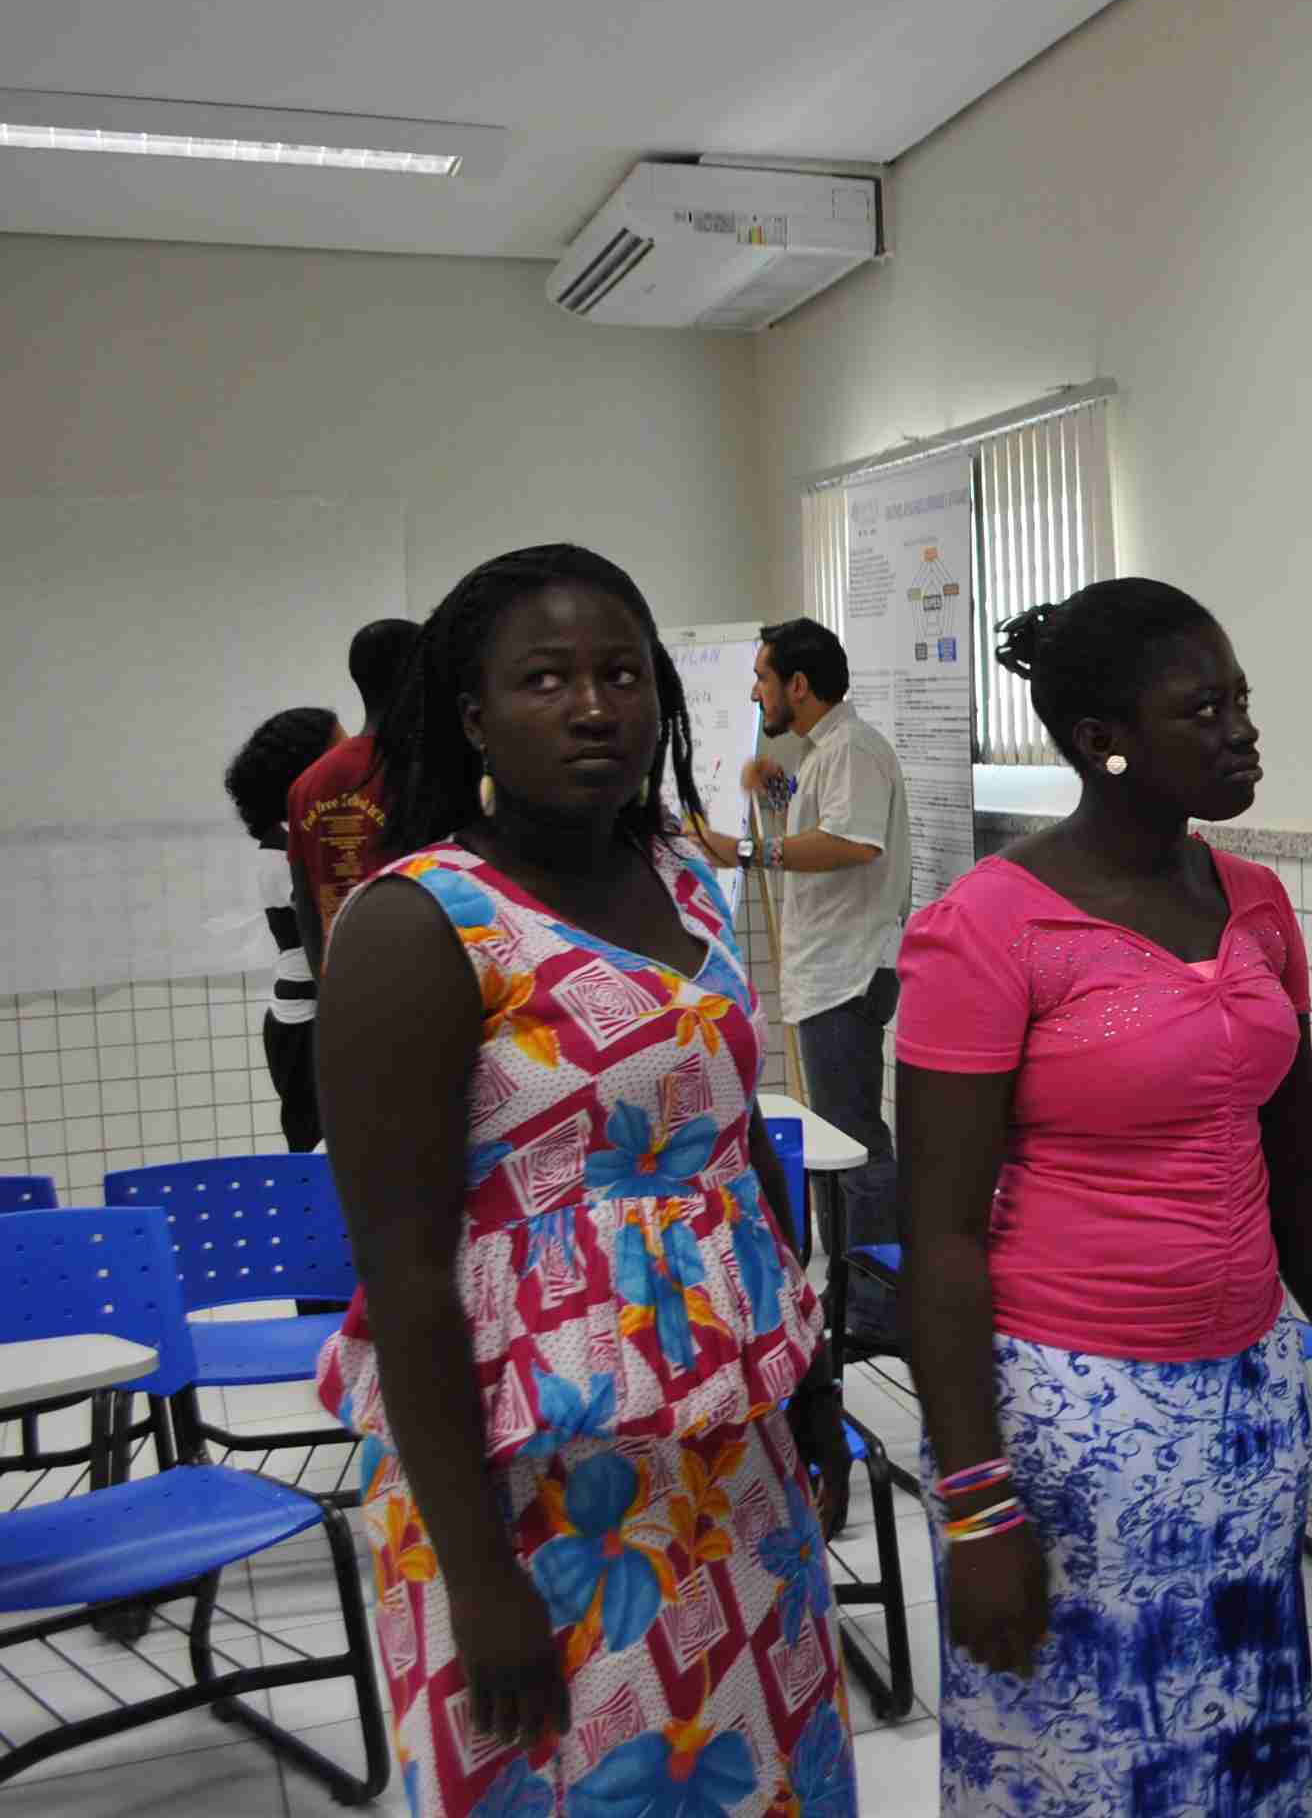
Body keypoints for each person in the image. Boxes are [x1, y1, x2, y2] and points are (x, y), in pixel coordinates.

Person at [313, 544, 856, 1818]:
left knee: (767, 1773)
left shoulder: (682, 877)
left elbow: (737, 1148)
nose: (595, 706)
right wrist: (478, 1579)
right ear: (474, 715)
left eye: (622, 674)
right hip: (533, 1497)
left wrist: (810, 1383)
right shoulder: (418, 922)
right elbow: (403, 1276)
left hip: (729, 1449)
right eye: (546, 678)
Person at [895, 578, 1312, 1816]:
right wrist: (974, 1501)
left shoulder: (1255, 905)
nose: (1242, 732)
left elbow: (1301, 1171)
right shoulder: (988, 927)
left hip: (1244, 1399)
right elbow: (939, 1234)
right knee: (1087, 1754)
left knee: (1234, 1735)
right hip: (1068, 1418)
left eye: (1241, 701)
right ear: (1102, 740)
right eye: (1204, 710)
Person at [694, 617, 911, 1347]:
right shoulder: (828, 751)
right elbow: (826, 826)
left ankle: (878, 1310)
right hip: (829, 966)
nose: (755, 694)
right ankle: (851, 1294)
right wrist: (778, 788)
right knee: (840, 1136)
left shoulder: (854, 748)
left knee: (855, 1141)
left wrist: (743, 850)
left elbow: (854, 843)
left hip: (849, 969)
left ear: (798, 684)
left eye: (762, 678)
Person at [223, 706, 343, 1151]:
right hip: (306, 1025)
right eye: (340, 751)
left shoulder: (309, 832)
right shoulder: (284, 845)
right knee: (317, 1158)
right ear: (309, 767)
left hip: (318, 1017)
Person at [286, 616, 421, 970]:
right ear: (416, 677)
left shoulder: (306, 785)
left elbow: (305, 901)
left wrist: (326, 988)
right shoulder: (425, 774)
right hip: (417, 974)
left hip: (346, 979)